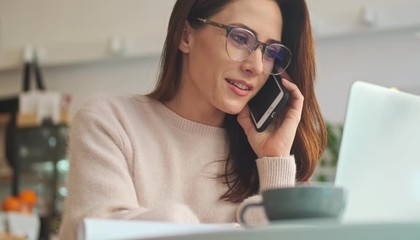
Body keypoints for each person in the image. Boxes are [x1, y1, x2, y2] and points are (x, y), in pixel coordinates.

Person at [59, 0, 327, 238]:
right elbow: (97, 232)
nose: (256, 66)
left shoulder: (262, 154)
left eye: (270, 52)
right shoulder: (110, 122)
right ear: (185, 36)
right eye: (241, 38)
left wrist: (274, 161)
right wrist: (190, 226)